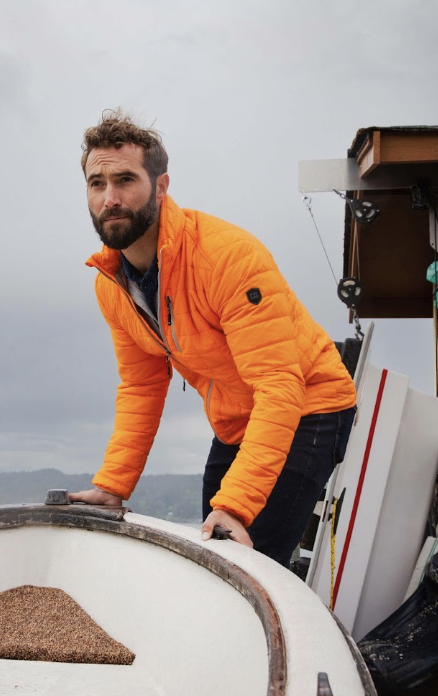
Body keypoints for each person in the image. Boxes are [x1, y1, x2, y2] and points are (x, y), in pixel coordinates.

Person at [68, 110, 357, 568]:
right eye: (96, 184)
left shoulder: (225, 257)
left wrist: (238, 504)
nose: (111, 198)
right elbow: (142, 386)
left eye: (125, 180)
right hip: (237, 416)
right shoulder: (112, 283)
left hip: (309, 405)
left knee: (249, 560)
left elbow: (280, 384)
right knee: (212, 555)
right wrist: (113, 485)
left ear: (161, 187)